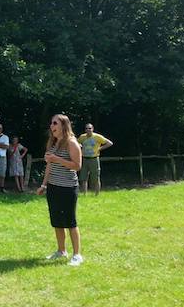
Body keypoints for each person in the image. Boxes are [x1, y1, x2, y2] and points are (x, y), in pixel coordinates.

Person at [37, 114, 84, 266]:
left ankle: (77, 255)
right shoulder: (53, 143)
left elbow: (77, 166)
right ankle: (61, 251)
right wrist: (44, 185)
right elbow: (49, 165)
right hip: (53, 187)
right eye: (51, 123)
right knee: (56, 221)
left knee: (70, 221)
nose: (52, 126)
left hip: (68, 188)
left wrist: (57, 159)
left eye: (55, 123)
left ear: (64, 125)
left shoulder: (71, 143)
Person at [77, 123, 113, 196]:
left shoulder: (97, 137)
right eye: (87, 128)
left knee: (96, 178)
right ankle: (84, 194)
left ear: (92, 129)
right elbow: (77, 143)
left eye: (90, 128)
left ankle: (97, 194)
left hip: (94, 159)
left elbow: (109, 143)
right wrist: (80, 146)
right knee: (83, 178)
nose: (88, 130)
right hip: (84, 159)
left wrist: (100, 148)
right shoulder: (82, 137)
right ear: (85, 130)